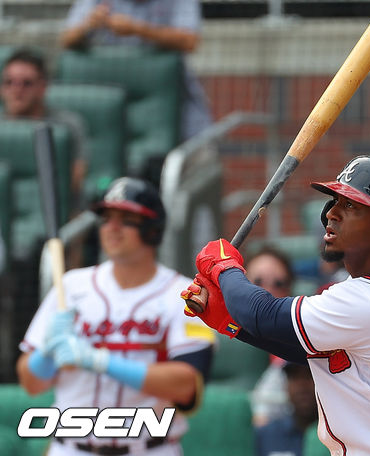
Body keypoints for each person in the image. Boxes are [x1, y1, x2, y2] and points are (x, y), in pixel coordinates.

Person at [182, 155, 370, 454]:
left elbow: (262, 315)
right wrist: (231, 323)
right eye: (335, 201)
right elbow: (324, 355)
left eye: (350, 205)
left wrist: (224, 267)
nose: (331, 214)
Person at [16, 177, 215, 456]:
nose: (112, 227)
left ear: (152, 230)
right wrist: (46, 353)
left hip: (148, 449)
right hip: (71, 448)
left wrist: (98, 360)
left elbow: (186, 385)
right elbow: (31, 383)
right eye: (107, 218)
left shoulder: (183, 295)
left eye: (126, 219)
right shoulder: (71, 287)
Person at [61, 0, 212, 141]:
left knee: (199, 153)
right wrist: (88, 25)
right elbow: (66, 40)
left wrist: (137, 29)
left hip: (173, 104)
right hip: (112, 98)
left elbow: (190, 41)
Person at [1, 48, 88, 208]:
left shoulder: (67, 125)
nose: (16, 90)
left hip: (53, 211)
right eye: (9, 82)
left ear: (42, 88)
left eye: (26, 83)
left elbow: (75, 179)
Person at [246, 245, 297, 427]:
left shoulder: (298, 341)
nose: (265, 292)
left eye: (278, 284)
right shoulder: (215, 337)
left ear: (289, 290)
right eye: (257, 282)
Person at [256, 362, 318, 456]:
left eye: (310, 375)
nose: (302, 384)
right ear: (286, 385)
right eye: (294, 377)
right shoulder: (266, 435)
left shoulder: (339, 433)